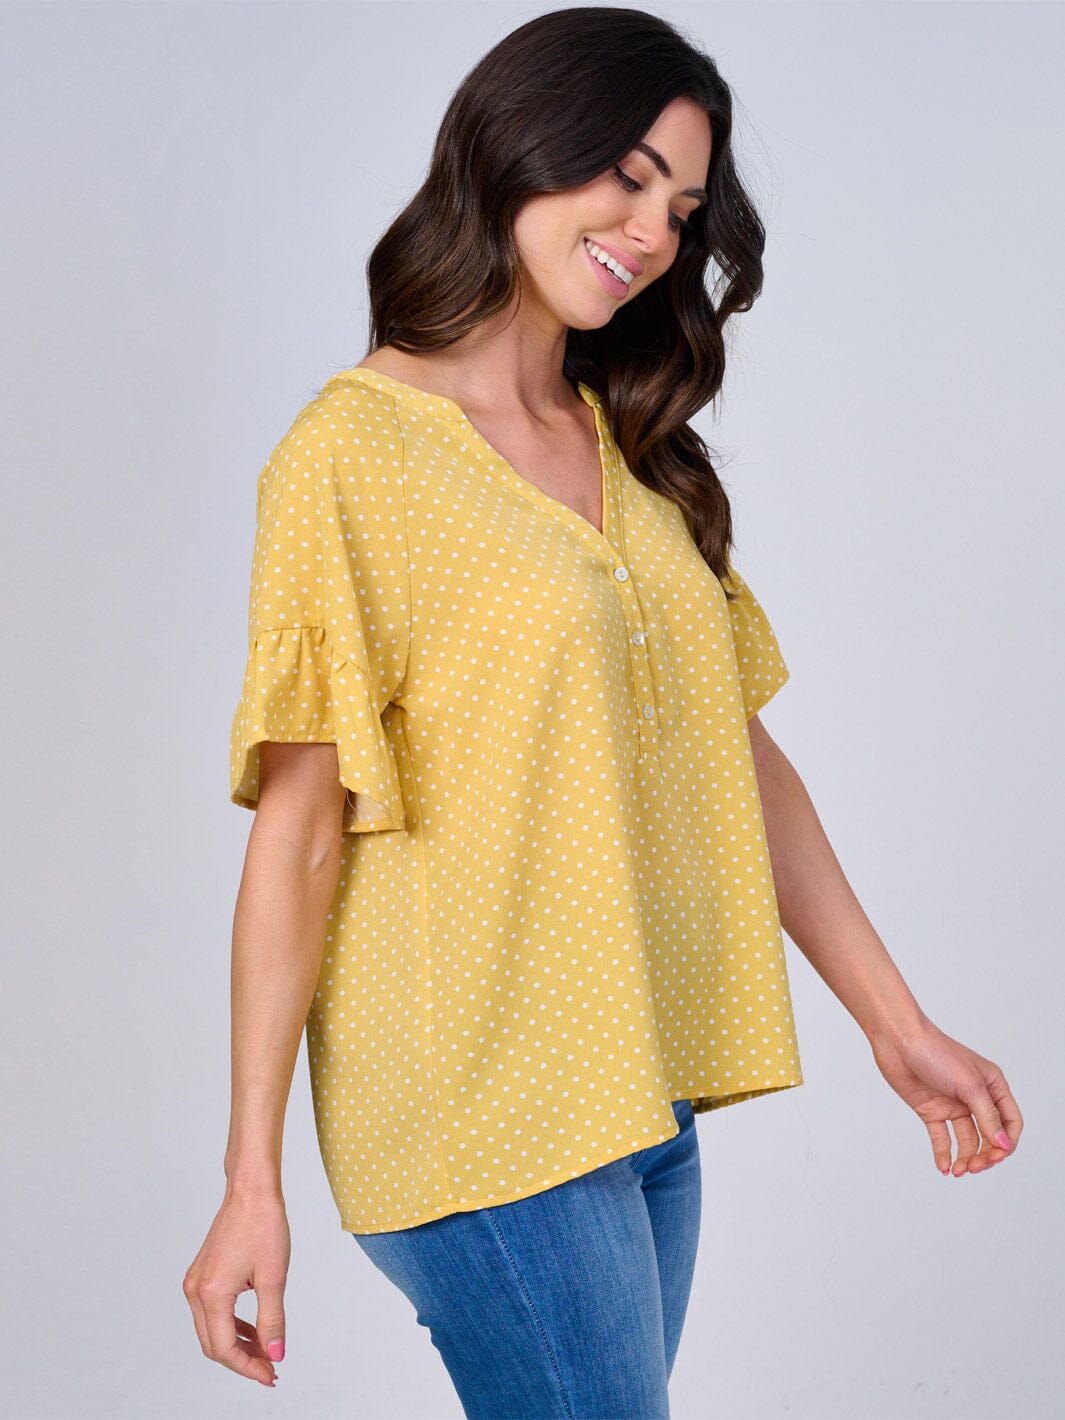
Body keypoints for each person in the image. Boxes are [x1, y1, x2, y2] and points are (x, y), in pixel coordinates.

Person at [183, 8, 1023, 1416]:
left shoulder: (628, 442)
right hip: (473, 1104)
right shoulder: (350, 454)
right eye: (626, 177)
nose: (651, 232)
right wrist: (247, 1180)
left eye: (682, 209)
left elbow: (733, 753)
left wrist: (895, 1024)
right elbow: (299, 833)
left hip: (641, 1085)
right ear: (516, 146)